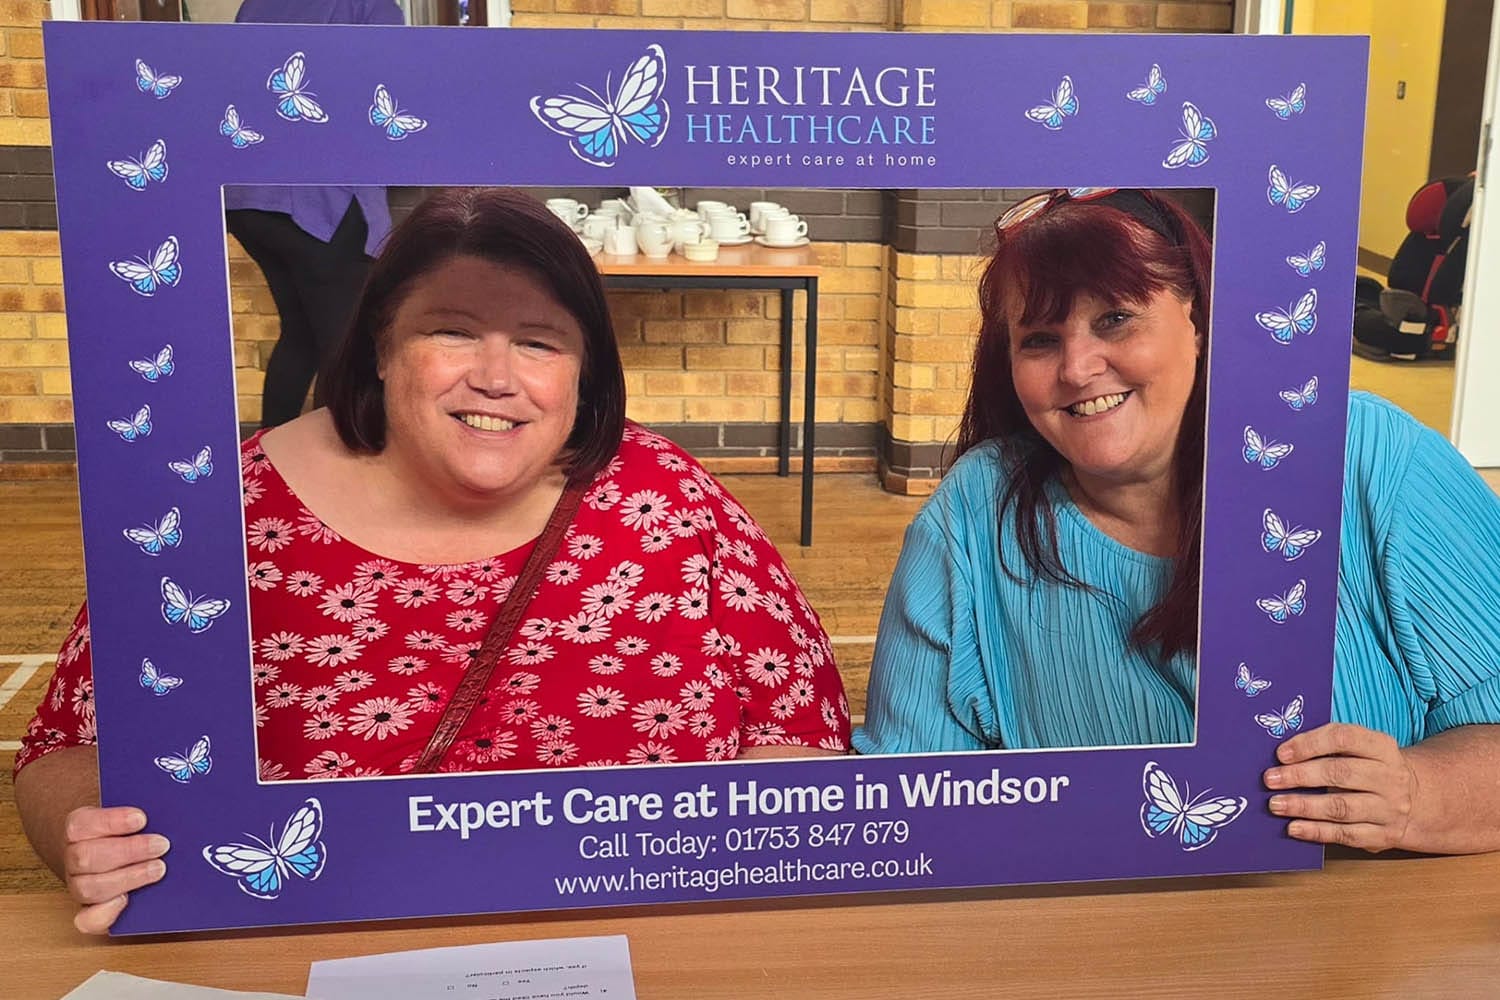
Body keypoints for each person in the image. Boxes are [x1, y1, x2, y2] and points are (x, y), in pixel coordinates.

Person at [15, 187, 851, 933]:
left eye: (540, 342)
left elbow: (802, 735)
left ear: (586, 370)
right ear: (381, 348)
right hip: (309, 953)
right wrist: (94, 838)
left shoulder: (669, 497)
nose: (496, 378)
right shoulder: (228, 512)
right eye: (452, 331)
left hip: (646, 947)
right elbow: (67, 747)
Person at [855, 187, 1500, 857]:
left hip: (1368, 914)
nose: (1077, 369)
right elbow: (908, 801)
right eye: (1040, 340)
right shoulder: (974, 513)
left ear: (1197, 320)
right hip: (1095, 917)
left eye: (1116, 319)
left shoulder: (1372, 458)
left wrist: (1420, 794)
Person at [225, 0, 404, 428]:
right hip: (321, 200)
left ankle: (268, 455)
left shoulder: (257, 5)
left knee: (301, 335)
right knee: (342, 349)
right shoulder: (373, 7)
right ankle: (329, 461)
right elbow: (391, 98)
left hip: (251, 198)